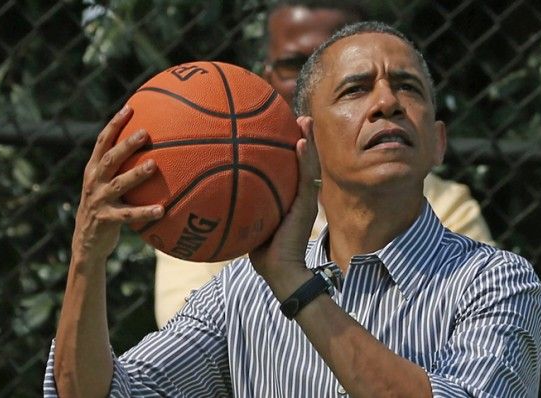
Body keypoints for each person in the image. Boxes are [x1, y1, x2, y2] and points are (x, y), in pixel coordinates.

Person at [44, 21, 541, 397]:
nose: (387, 102)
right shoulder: (240, 293)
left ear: (438, 145)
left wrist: (294, 283)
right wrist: (88, 252)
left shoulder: (495, 281)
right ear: (303, 140)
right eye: (355, 89)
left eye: (408, 87)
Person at [154, 0, 494, 329]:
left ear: (438, 141)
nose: (309, 83)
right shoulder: (208, 192)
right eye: (294, 65)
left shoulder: (444, 207)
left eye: (345, 76)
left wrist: (292, 286)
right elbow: (190, 342)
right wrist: (96, 251)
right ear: (265, 80)